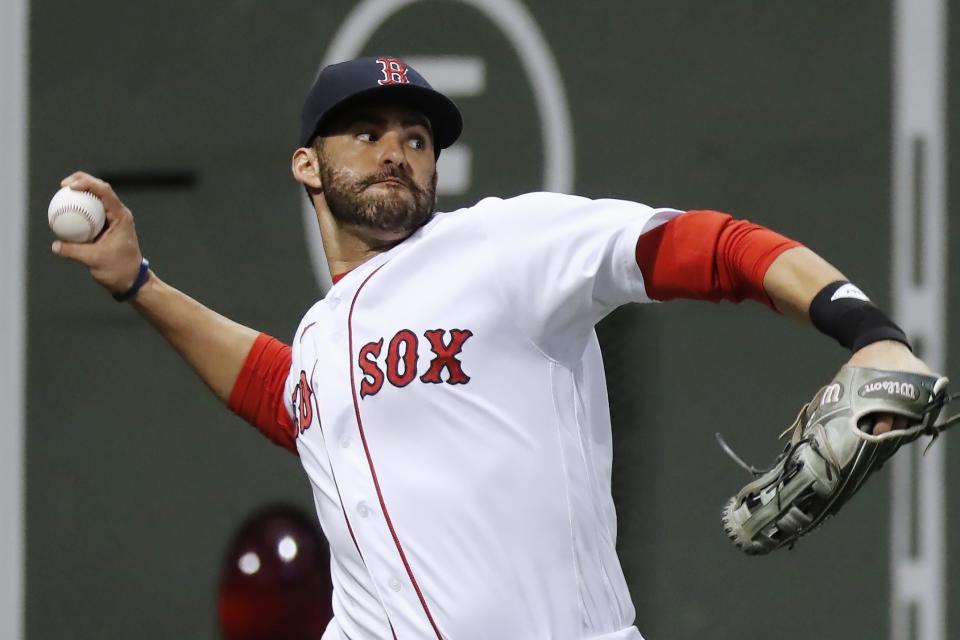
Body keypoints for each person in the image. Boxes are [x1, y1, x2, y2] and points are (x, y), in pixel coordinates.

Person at [52, 56, 932, 640]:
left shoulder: (505, 246)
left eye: (418, 137)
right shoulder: (325, 336)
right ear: (307, 165)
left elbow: (714, 246)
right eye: (367, 132)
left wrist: (871, 332)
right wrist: (141, 286)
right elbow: (292, 397)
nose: (397, 151)